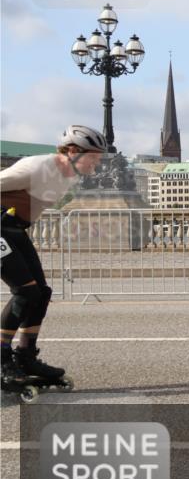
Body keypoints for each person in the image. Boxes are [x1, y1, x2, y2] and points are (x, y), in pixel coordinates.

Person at [1, 125, 107, 388]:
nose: (98, 162)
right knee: (25, 292)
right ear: (72, 151)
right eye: (93, 156)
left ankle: (25, 356)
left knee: (41, 293)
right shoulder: (36, 166)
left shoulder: (69, 177)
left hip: (14, 229)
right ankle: (2, 360)